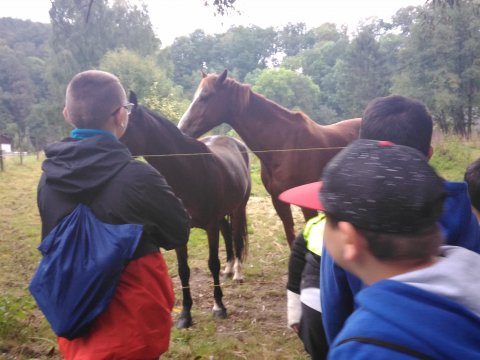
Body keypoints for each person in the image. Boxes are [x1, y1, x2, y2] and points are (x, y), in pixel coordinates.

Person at [281, 95, 480, 345]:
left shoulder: (351, 214)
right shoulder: (466, 214)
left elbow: (334, 303)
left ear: (362, 144)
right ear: (428, 154)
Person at [37, 70, 190, 359]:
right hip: (133, 331)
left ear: (67, 114)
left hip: (75, 322)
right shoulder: (139, 176)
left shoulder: (48, 179)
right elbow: (179, 232)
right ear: (121, 115)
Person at [286, 212, 328, 359]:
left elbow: (295, 267)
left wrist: (294, 312)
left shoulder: (315, 225)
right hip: (318, 303)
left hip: (313, 303)